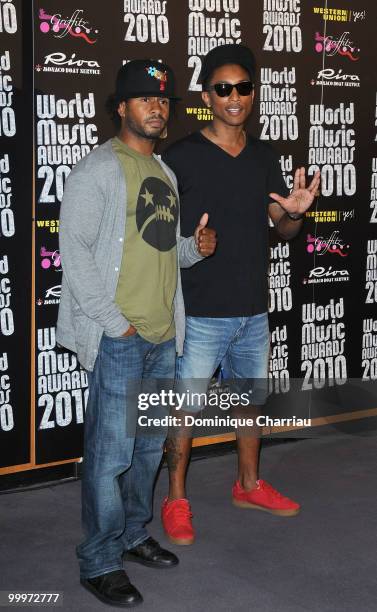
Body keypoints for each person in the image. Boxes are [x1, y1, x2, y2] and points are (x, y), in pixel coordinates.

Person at [56, 59, 216, 607]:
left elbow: (161, 251)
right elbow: (73, 255)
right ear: (121, 106)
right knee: (110, 455)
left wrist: (195, 249)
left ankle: (130, 534)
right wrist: (115, 326)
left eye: (164, 99)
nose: (157, 106)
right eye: (144, 98)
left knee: (148, 452)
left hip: (162, 340)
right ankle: (98, 560)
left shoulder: (165, 173)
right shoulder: (98, 170)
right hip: (122, 339)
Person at [161, 44, 320, 545]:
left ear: (253, 93)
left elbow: (283, 229)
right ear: (207, 95)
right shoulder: (180, 156)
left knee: (248, 403)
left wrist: (294, 212)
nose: (235, 97)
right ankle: (176, 499)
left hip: (252, 307)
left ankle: (248, 484)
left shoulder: (264, 156)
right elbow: (154, 234)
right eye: (223, 88)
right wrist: (191, 245)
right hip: (201, 309)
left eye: (243, 87)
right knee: (184, 409)